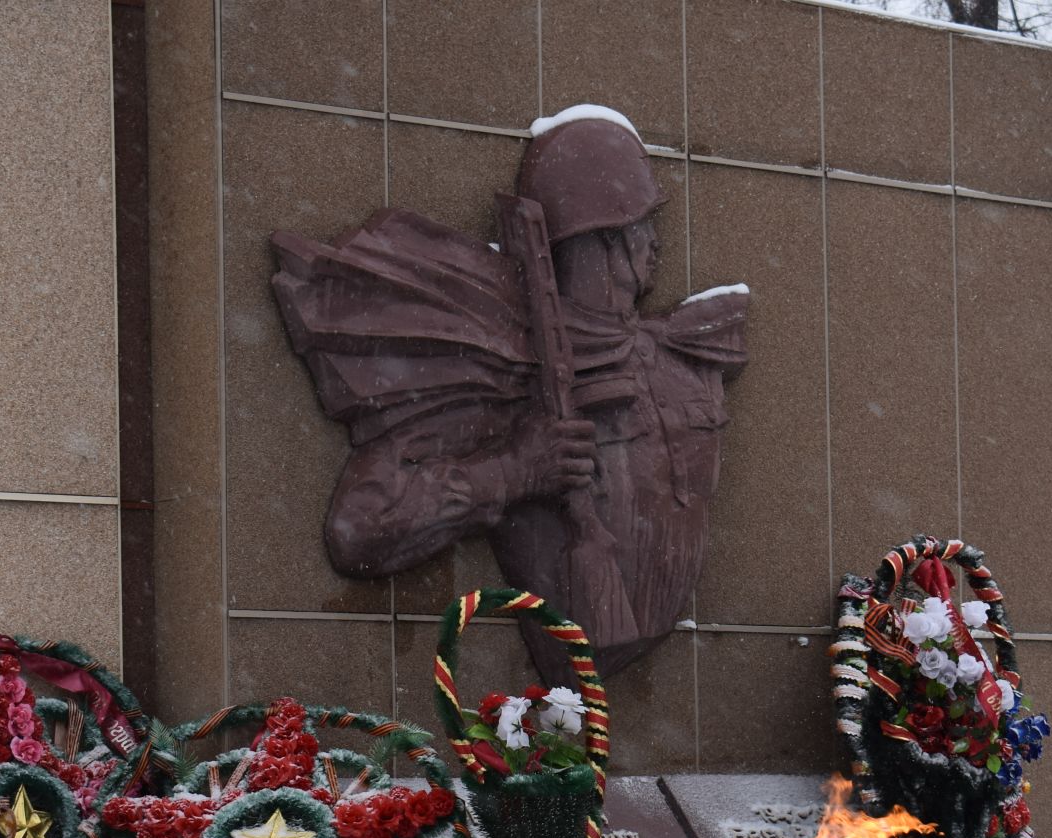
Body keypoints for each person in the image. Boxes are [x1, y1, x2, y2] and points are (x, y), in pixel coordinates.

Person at [271, 106, 748, 674]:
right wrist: (514, 472)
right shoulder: (505, 366)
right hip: (564, 661)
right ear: (603, 239)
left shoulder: (683, 352)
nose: (657, 245)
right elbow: (362, 528)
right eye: (643, 224)